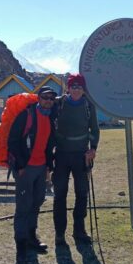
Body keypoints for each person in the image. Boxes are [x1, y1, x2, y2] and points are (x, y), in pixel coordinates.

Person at [8, 86, 57, 264]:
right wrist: (20, 166)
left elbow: (49, 144)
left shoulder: (50, 118)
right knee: (23, 206)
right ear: (38, 98)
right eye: (45, 97)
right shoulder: (26, 116)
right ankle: (21, 244)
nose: (48, 101)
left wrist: (48, 166)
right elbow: (12, 140)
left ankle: (31, 237)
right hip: (25, 169)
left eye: (51, 98)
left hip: (40, 167)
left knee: (36, 202)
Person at [52, 73, 100, 246]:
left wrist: (93, 148)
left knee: (81, 193)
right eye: (73, 86)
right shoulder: (59, 103)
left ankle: (79, 231)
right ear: (68, 88)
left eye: (79, 86)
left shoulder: (88, 105)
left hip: (81, 155)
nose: (76, 89)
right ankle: (59, 233)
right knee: (60, 194)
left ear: (83, 88)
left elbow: (94, 129)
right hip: (62, 154)